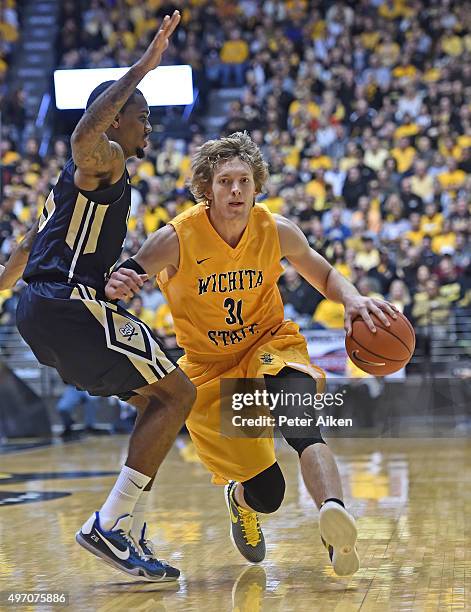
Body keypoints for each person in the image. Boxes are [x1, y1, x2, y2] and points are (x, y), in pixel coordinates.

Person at [106, 132, 398, 576]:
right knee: (268, 492)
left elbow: (322, 272)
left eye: (244, 180)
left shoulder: (275, 229)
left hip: (270, 345)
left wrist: (353, 299)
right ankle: (240, 500)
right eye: (225, 181)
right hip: (209, 371)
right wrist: (121, 282)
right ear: (207, 188)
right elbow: (130, 273)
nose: (236, 190)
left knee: (303, 424)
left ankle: (335, 521)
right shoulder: (176, 238)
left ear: (256, 185)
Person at [0, 12, 196, 582]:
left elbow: (13, 266)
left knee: (158, 405)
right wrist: (142, 68)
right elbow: (85, 137)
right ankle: (109, 524)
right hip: (67, 305)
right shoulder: (101, 163)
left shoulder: (60, 199)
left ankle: (126, 523)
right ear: (117, 120)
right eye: (143, 115)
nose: (150, 126)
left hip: (39, 313)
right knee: (179, 393)